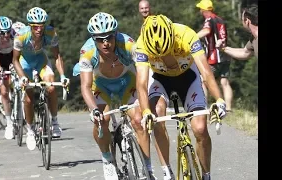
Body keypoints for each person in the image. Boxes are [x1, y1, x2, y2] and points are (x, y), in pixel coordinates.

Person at [133, 14, 227, 180]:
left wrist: (219, 100)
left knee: (200, 129)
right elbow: (141, 83)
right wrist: (146, 110)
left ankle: (206, 175)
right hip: (160, 79)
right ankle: (166, 171)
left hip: (188, 77)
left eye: (166, 52)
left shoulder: (186, 35)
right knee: (155, 115)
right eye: (158, 55)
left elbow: (206, 73)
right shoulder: (141, 44)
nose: (162, 57)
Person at [73, 12, 155, 180]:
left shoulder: (128, 44)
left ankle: (148, 169)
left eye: (109, 37)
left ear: (115, 34)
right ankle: (107, 159)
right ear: (93, 39)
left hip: (127, 82)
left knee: (139, 120)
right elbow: (86, 86)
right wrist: (94, 110)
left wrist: (146, 96)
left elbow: (145, 71)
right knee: (102, 121)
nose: (105, 43)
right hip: (101, 85)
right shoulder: (87, 52)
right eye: (99, 39)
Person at [12, 7, 69, 150]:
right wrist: (22, 77)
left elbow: (57, 56)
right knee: (29, 98)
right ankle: (30, 130)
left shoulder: (51, 33)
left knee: (50, 87)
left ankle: (54, 122)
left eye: (41, 26)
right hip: (24, 64)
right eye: (35, 26)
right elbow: (15, 60)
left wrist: (62, 75)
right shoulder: (21, 36)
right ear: (30, 26)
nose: (39, 29)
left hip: (41, 61)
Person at [196, 0, 233, 112]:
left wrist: (193, 36)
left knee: (203, 80)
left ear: (204, 10)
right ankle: (229, 108)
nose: (200, 11)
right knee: (224, 82)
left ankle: (204, 107)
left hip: (213, 56)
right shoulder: (220, 19)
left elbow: (206, 31)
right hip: (225, 54)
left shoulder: (209, 19)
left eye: (201, 9)